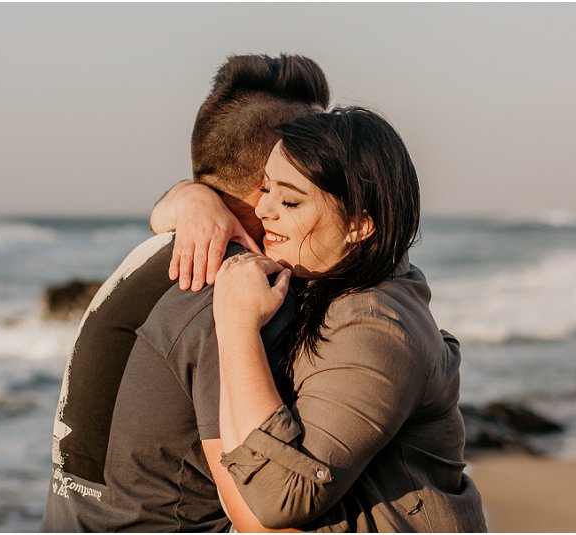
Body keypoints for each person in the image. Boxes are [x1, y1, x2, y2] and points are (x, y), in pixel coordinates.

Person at [159, 107, 487, 531]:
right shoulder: (340, 273)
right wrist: (194, 200)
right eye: (266, 188)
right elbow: (159, 215)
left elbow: (281, 498)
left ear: (359, 224)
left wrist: (236, 324)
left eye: (290, 201)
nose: (263, 210)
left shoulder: (375, 328)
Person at [40, 53, 330, 532]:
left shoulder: (149, 253)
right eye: (322, 158)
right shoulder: (238, 295)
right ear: (275, 180)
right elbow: (262, 518)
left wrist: (186, 194)